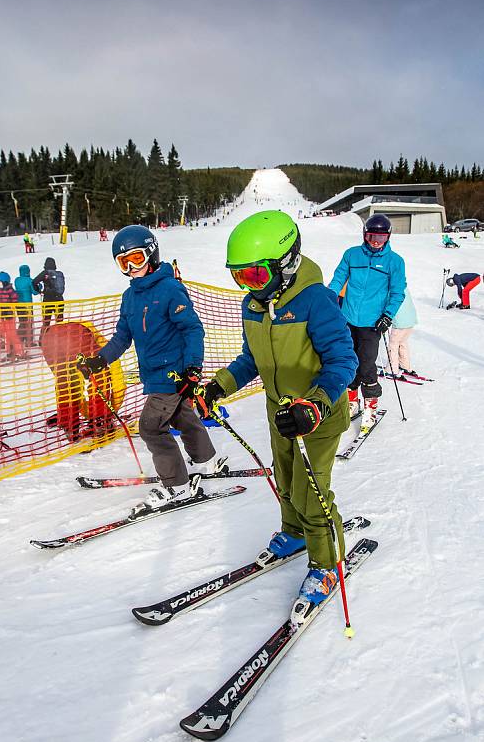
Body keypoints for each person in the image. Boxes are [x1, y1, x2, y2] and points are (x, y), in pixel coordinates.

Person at [195, 210, 358, 607]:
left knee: (310, 491)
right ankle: (295, 532)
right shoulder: (253, 306)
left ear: (286, 262)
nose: (249, 287)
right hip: (280, 413)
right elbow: (251, 358)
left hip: (317, 415)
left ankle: (325, 564)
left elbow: (344, 360)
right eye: (240, 277)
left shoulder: (315, 301)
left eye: (255, 276)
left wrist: (316, 405)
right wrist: (220, 386)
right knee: (284, 480)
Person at [75, 225, 218, 507]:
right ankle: (207, 462)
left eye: (136, 259)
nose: (131, 267)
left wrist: (193, 369)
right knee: (181, 417)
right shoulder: (130, 297)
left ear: (151, 255)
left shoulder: (170, 289)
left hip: (174, 374)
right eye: (123, 262)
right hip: (154, 375)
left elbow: (192, 330)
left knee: (151, 428)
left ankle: (178, 486)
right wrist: (99, 360)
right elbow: (122, 337)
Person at [328, 214, 406, 430]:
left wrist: (388, 315)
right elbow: (338, 279)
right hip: (348, 318)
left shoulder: (395, 262)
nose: (375, 242)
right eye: (372, 236)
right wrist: (328, 301)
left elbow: (397, 292)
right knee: (347, 361)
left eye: (381, 238)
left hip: (373, 323)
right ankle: (352, 402)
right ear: (365, 235)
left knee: (366, 364)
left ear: (388, 237)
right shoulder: (352, 255)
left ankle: (370, 406)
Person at [0, 272, 25, 361]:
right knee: (6, 334)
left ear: (4, 282)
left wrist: (8, 306)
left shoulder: (10, 290)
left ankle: (19, 352)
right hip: (2, 315)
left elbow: (15, 300)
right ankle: (9, 352)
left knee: (12, 334)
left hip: (9, 315)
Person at [388, 287, 417, 377]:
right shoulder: (402, 286)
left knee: (393, 345)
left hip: (400, 323)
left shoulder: (390, 289)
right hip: (411, 320)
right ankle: (405, 366)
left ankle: (392, 370)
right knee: (402, 342)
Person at [32, 257, 65, 337]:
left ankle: (42, 341)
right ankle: (61, 340)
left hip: (48, 300)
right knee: (60, 321)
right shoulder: (59, 274)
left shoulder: (45, 273)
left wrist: (39, 291)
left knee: (46, 321)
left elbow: (34, 282)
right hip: (59, 300)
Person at [14, 264, 38, 347]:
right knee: (29, 323)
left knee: (22, 322)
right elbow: (35, 292)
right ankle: (29, 342)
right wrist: (39, 287)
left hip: (18, 304)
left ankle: (19, 339)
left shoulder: (16, 280)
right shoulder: (29, 280)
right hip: (27, 305)